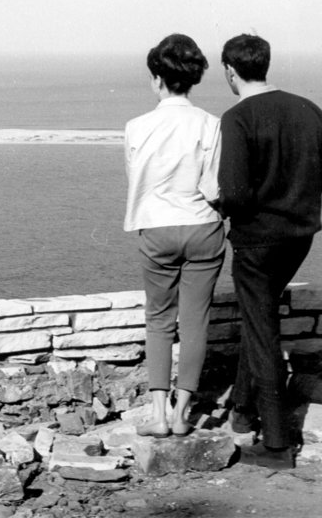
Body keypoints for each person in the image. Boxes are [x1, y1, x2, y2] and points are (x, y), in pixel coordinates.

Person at [217, 34, 322, 469]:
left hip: (257, 241)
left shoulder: (237, 117)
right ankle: (243, 410)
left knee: (263, 330)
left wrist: (217, 203)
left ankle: (278, 444)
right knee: (258, 319)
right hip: (299, 237)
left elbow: (234, 193)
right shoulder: (310, 109)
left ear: (230, 70)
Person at [124, 34, 225, 438]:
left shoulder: (136, 127)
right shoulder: (211, 124)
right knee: (196, 321)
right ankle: (183, 414)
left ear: (157, 78)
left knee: (159, 319)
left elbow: (136, 180)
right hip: (202, 227)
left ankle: (159, 415)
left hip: (158, 228)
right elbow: (214, 186)